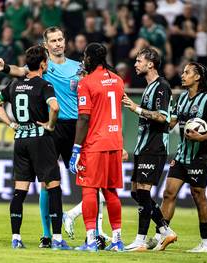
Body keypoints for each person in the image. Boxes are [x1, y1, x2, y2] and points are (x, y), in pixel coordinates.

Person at [0, 26, 109, 247]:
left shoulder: (79, 67)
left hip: (77, 127)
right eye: (53, 41)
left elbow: (97, 85)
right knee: (48, 182)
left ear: (66, 40)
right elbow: (18, 71)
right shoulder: (42, 67)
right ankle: (47, 235)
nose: (58, 44)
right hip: (50, 128)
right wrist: (4, 67)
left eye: (60, 39)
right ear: (46, 46)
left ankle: (94, 232)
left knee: (90, 181)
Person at [0, 45, 70, 250]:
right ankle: (58, 239)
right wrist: (51, 126)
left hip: (21, 140)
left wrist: (11, 124)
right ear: (43, 63)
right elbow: (54, 107)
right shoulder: (44, 85)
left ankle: (16, 237)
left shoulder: (14, 85)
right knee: (53, 188)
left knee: (20, 191)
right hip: (41, 140)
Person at [161, 62, 207, 253]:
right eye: (183, 72)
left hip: (199, 157)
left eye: (187, 72)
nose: (182, 75)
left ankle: (206, 244)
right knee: (168, 193)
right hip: (181, 156)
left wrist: (201, 137)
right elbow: (171, 123)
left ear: (198, 77)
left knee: (199, 196)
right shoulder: (180, 99)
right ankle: (161, 235)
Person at [69, 43, 125, 252]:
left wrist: (76, 148)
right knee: (111, 191)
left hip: (94, 144)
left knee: (89, 189)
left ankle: (91, 239)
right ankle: (117, 240)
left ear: (91, 58)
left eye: (85, 56)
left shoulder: (86, 82)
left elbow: (84, 118)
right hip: (115, 142)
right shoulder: (118, 81)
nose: (84, 60)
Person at [121, 47, 177, 251]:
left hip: (154, 146)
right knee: (136, 192)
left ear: (150, 64)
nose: (135, 64)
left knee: (143, 192)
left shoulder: (161, 86)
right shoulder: (150, 87)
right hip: (144, 146)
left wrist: (136, 108)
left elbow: (163, 118)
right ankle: (164, 230)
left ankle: (141, 240)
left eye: (139, 60)